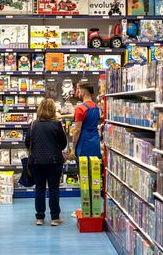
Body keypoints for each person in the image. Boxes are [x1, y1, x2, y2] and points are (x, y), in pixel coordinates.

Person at [25, 98, 67, 226]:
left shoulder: (33, 124)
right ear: (53, 110)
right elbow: (63, 144)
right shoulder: (57, 124)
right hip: (54, 162)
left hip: (37, 162)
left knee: (39, 189)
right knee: (54, 190)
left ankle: (40, 218)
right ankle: (55, 218)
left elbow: (27, 144)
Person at [72, 82, 102, 159]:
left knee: (83, 169)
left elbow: (77, 130)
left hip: (84, 143)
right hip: (95, 141)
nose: (77, 91)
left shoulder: (80, 108)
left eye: (78, 89)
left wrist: (73, 148)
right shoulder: (96, 107)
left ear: (83, 92)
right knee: (95, 168)